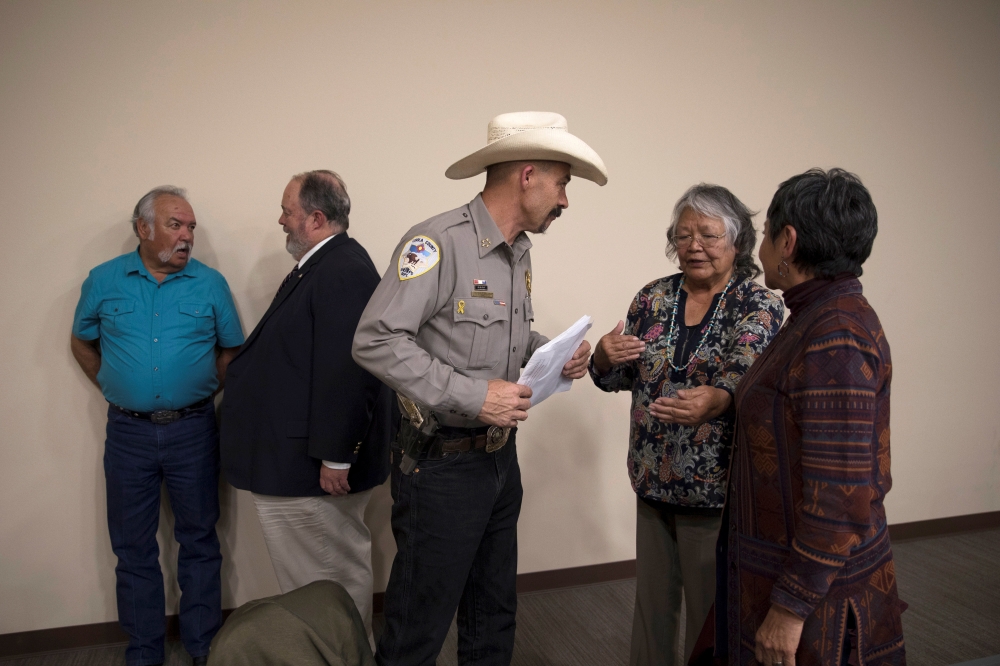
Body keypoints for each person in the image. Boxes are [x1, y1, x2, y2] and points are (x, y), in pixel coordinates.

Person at [352, 111, 605, 666]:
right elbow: (374, 340)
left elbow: (490, 338)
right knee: (417, 628)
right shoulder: (435, 242)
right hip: (441, 468)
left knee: (493, 619)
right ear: (529, 175)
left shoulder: (519, 252)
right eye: (563, 184)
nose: (565, 200)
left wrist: (552, 352)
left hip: (497, 462)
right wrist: (474, 396)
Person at [589, 184, 784, 665]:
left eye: (709, 235)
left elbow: (751, 381)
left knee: (709, 616)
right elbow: (615, 376)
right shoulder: (653, 298)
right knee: (652, 612)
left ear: (736, 243)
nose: (694, 244)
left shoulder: (757, 306)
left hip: (715, 490)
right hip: (652, 480)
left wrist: (720, 400)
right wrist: (602, 356)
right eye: (684, 234)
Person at [721, 168, 905, 665]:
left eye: (764, 238)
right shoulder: (817, 316)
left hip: (816, 596)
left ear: (788, 241)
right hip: (786, 570)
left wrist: (790, 608)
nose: (758, 254)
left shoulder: (835, 335)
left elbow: (839, 497)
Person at [71, 186, 245, 666]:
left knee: (200, 540)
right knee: (132, 548)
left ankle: (203, 646)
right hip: (128, 435)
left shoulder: (210, 284)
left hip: (194, 432)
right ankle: (144, 649)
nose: (187, 236)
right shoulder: (103, 281)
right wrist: (111, 386)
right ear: (142, 229)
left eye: (191, 227)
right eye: (176, 225)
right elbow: (81, 341)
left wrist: (203, 392)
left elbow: (232, 350)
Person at [220, 170, 392, 647]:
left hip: (311, 470)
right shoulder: (322, 265)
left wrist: (337, 455)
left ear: (316, 218)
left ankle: (341, 657)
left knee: (324, 588)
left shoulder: (342, 270)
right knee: (316, 588)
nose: (281, 220)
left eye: (287, 211)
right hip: (296, 463)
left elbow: (350, 368)